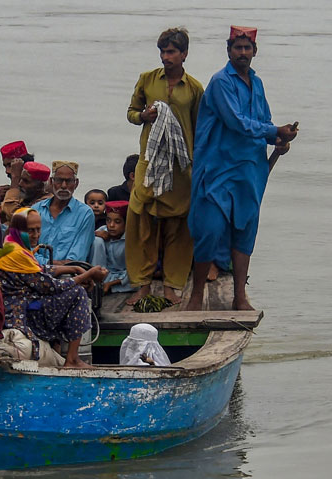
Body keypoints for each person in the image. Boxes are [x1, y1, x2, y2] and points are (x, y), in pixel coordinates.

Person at [187, 26, 298, 311]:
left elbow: (263, 120)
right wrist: (273, 129)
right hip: (218, 168)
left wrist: (278, 138)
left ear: (255, 52)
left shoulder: (257, 84)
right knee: (210, 230)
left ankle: (240, 296)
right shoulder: (221, 81)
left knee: (245, 231)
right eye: (238, 48)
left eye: (247, 48)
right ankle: (196, 296)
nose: (243, 53)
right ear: (229, 51)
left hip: (249, 170)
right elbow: (236, 121)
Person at [124, 27, 204, 306]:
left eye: (171, 52)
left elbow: (199, 127)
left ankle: (172, 285)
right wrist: (143, 116)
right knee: (140, 216)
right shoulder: (147, 80)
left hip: (181, 164)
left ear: (184, 54)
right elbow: (131, 113)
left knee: (179, 224)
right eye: (162, 51)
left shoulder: (194, 88)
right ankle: (142, 284)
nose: (165, 57)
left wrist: (199, 164)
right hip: (150, 159)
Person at [0, 209, 106, 368]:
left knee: (69, 290)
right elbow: (51, 287)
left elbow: (39, 270)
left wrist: (74, 269)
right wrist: (86, 275)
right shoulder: (16, 252)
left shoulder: (11, 243)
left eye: (38, 229)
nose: (35, 235)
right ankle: (73, 359)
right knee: (78, 293)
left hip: (25, 304)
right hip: (22, 312)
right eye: (30, 231)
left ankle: (59, 349)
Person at [33, 160, 96, 264]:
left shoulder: (85, 214)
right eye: (59, 180)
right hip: (35, 270)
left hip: (68, 274)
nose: (63, 185)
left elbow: (76, 259)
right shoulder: (36, 210)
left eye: (69, 181)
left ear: (76, 184)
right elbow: (29, 251)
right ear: (51, 182)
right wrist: (50, 264)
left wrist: (49, 264)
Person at [91, 200, 134, 294]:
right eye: (108, 220)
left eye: (117, 222)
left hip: (124, 277)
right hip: (104, 274)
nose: (111, 225)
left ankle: (108, 287)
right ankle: (96, 280)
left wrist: (110, 284)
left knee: (137, 282)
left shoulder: (132, 238)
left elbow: (135, 270)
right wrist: (94, 234)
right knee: (96, 241)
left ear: (127, 223)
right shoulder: (103, 230)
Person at [0, 140, 35, 204]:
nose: (7, 171)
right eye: (5, 166)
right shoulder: (7, 192)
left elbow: (11, 208)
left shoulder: (38, 190)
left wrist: (15, 177)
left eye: (10, 165)